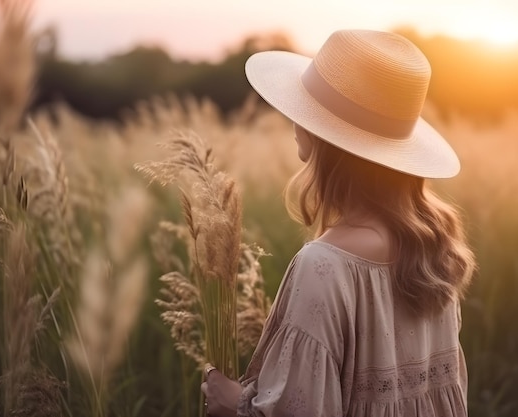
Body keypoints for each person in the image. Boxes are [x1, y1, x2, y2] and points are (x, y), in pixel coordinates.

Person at [201, 29, 476, 417]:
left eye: (304, 109)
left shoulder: (324, 267)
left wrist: (233, 404)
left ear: (322, 133)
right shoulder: (437, 249)